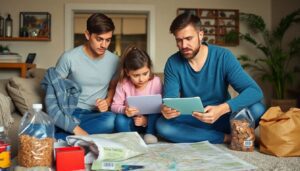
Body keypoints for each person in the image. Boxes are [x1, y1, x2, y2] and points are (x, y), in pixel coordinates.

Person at [156, 13, 266, 144]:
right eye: (179, 40)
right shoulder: (173, 63)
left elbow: (255, 91)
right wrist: (167, 109)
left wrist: (222, 109)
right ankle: (226, 138)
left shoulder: (223, 56)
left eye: (188, 38)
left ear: (200, 35)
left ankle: (206, 135)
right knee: (163, 125)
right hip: (194, 119)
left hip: (224, 117)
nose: (183, 45)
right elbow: (171, 99)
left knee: (258, 108)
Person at [53, 13, 119, 140]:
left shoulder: (115, 61)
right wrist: (71, 124)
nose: (104, 45)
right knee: (53, 120)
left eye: (108, 40)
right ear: (87, 35)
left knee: (111, 120)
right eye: (99, 39)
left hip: (96, 114)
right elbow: (54, 92)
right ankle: (75, 132)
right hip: (71, 112)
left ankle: (62, 136)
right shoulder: (68, 57)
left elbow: (113, 88)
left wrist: (107, 101)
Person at [111, 46, 162, 144]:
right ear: (127, 72)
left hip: (150, 121)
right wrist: (125, 110)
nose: (141, 79)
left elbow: (161, 106)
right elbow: (114, 106)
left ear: (149, 69)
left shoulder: (156, 81)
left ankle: (150, 134)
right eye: (136, 75)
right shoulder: (123, 84)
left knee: (157, 111)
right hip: (131, 120)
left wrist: (146, 120)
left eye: (145, 73)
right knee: (119, 119)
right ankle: (129, 137)